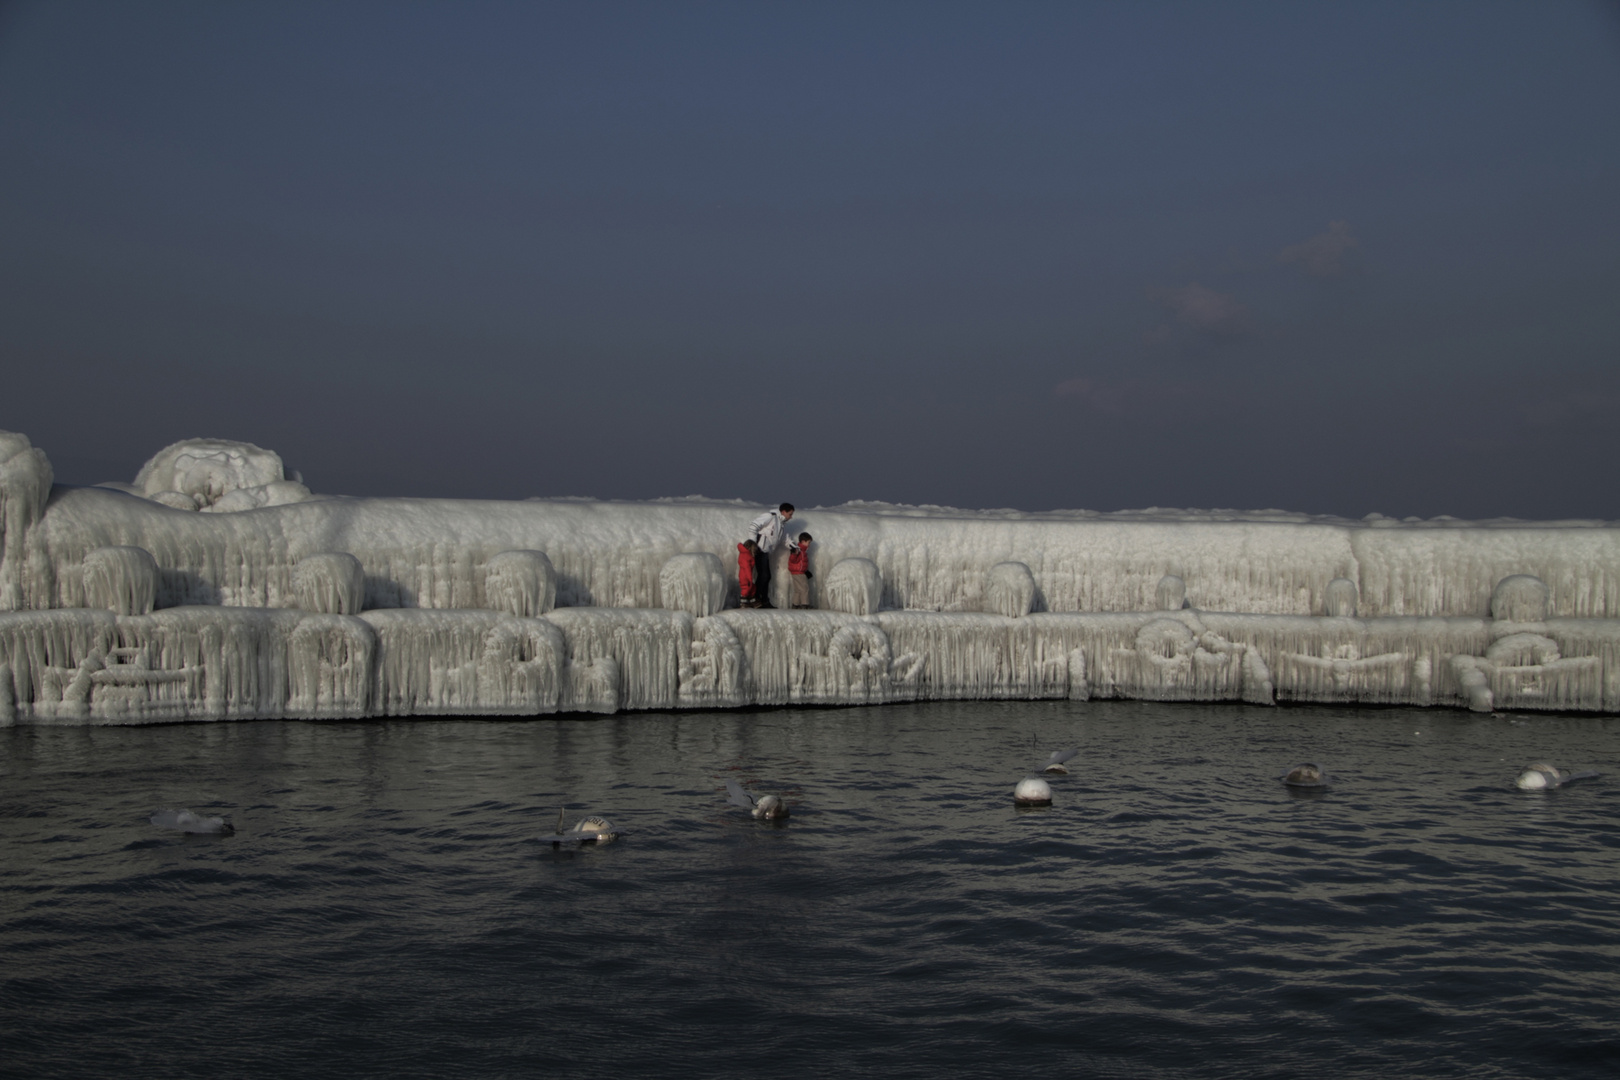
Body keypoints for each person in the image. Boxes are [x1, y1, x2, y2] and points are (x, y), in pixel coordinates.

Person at [746, 503, 794, 610]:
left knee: (766, 576)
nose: (791, 517)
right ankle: (756, 599)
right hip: (759, 549)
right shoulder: (770, 516)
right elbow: (754, 525)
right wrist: (752, 544)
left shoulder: (781, 523)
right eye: (790, 514)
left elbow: (784, 538)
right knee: (764, 575)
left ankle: (763, 600)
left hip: (765, 550)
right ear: (783, 512)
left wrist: (794, 547)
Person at [788, 532, 813, 608]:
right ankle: (805, 604)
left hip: (796, 572)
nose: (809, 544)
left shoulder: (802, 551)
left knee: (798, 590)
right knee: (804, 588)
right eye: (808, 542)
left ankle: (795, 604)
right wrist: (794, 554)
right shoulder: (799, 551)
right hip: (799, 573)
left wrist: (806, 571)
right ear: (803, 541)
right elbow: (792, 559)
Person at [737, 538, 760, 607]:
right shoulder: (746, 556)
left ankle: (752, 601)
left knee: (752, 587)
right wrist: (750, 578)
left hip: (745, 575)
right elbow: (747, 568)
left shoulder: (746, 555)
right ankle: (743, 602)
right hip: (745, 576)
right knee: (746, 588)